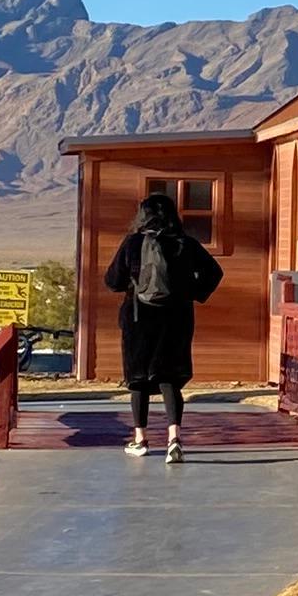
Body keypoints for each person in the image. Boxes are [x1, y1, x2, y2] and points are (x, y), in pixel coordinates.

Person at [105, 188, 223, 463]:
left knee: (138, 380)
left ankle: (140, 439)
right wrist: (192, 291)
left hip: (137, 318)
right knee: (169, 377)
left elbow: (112, 280)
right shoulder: (184, 243)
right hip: (177, 318)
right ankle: (174, 438)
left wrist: (133, 284)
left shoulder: (132, 243)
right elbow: (215, 272)